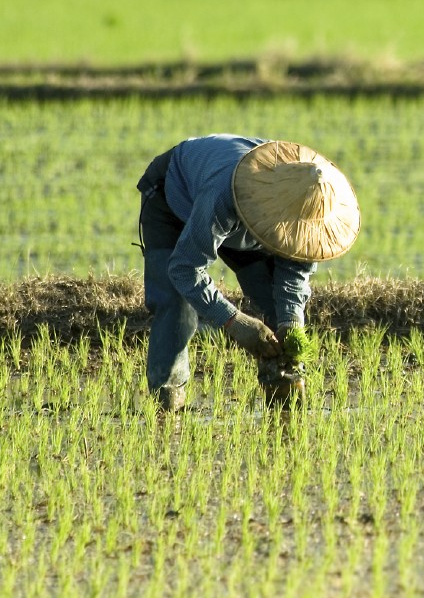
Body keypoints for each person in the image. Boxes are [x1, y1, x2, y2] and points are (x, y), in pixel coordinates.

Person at [136, 135, 360, 413]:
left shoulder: (305, 204)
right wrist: (235, 321)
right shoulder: (223, 194)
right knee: (176, 304)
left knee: (277, 306)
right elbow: (185, 268)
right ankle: (168, 402)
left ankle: (284, 399)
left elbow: (294, 274)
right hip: (174, 199)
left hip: (248, 225)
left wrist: (291, 320)